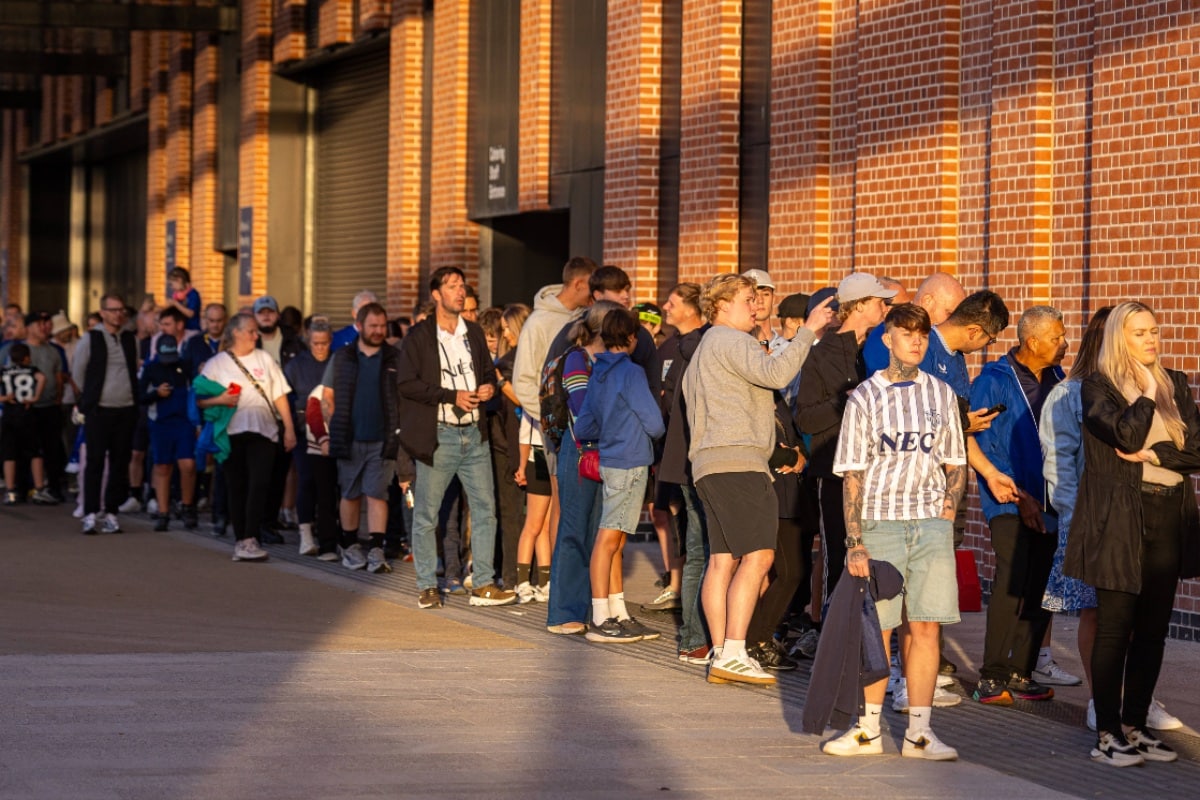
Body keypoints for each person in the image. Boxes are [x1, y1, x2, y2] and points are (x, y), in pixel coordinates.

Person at [822, 303, 967, 760]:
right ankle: (867, 730)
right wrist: (854, 540)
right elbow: (852, 473)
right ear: (887, 339)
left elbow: (954, 461)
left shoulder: (941, 393)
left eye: (922, 333)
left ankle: (920, 734)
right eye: (907, 333)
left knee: (925, 627)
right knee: (877, 629)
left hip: (928, 526)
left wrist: (948, 507)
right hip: (880, 522)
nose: (917, 341)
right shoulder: (864, 397)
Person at [1065, 302, 1199, 767]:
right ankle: (1107, 732)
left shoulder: (1176, 384)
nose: (1151, 340)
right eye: (1139, 333)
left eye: (1154, 331)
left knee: (1153, 631)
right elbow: (1125, 436)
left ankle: (1136, 727)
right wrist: (1143, 389)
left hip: (1169, 517)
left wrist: (1158, 457)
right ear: (1120, 338)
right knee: (1115, 628)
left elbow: (1196, 451)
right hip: (1121, 520)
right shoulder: (1097, 388)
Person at [683, 274, 833, 685]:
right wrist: (807, 332)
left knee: (722, 560)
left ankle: (722, 652)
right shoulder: (732, 341)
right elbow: (776, 374)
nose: (756, 307)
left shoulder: (707, 347)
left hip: (710, 465)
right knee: (760, 557)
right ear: (722, 305)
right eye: (748, 299)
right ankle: (733, 650)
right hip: (738, 464)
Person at [398, 267, 516, 609]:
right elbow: (406, 383)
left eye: (462, 286)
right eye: (452, 287)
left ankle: (482, 583)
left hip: (474, 435)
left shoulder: (474, 333)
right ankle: (426, 585)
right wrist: (452, 396)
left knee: (485, 510)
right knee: (427, 515)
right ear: (436, 294)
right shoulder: (420, 336)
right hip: (440, 435)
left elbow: (485, 372)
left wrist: (488, 387)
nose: (460, 292)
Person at [969, 306, 1068, 704]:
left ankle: (1021, 670)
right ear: (1033, 341)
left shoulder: (1059, 379)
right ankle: (992, 676)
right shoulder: (993, 381)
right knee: (1012, 579)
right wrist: (1020, 495)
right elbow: (983, 442)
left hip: (1051, 500)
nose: (1064, 344)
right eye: (1057, 337)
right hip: (1007, 498)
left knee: (1042, 585)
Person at [797, 272, 897, 611]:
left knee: (874, 555)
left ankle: (867, 636)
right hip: (833, 471)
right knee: (837, 555)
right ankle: (829, 634)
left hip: (875, 471)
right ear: (860, 305)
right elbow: (806, 417)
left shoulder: (877, 350)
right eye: (880, 301)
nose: (886, 307)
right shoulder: (820, 354)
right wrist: (846, 399)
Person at [575, 308, 666, 643]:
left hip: (609, 459)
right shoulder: (631, 372)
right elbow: (655, 424)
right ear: (631, 337)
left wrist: (609, 430)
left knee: (617, 539)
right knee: (609, 538)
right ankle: (601, 617)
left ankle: (617, 611)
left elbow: (584, 425)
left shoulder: (598, 371)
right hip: (629, 460)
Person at [197, 312, 297, 562]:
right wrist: (220, 399)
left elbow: (280, 395)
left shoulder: (264, 359)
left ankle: (251, 537)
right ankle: (242, 538)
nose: (256, 335)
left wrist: (290, 429)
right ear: (237, 333)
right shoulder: (217, 363)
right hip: (230, 433)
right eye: (251, 331)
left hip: (264, 431)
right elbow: (198, 399)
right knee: (237, 485)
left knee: (260, 483)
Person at [322, 302, 402, 575]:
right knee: (351, 493)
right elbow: (328, 395)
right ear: (359, 326)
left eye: (382, 326)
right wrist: (332, 427)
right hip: (350, 437)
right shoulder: (343, 357)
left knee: (377, 495)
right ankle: (351, 546)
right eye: (373, 326)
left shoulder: (395, 358)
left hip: (383, 439)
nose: (379, 331)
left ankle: (376, 548)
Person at [72, 293, 140, 535]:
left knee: (120, 463)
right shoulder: (91, 338)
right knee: (95, 462)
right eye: (113, 310)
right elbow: (78, 372)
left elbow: (135, 367)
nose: (118, 314)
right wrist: (89, 397)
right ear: (103, 313)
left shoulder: (131, 339)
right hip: (99, 409)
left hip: (126, 408)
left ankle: (111, 512)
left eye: (121, 310)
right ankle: (90, 513)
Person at [284, 317, 338, 559]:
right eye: (315, 343)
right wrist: (289, 429)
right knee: (306, 480)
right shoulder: (296, 366)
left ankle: (330, 534)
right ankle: (305, 534)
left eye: (324, 343)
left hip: (334, 432)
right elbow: (285, 399)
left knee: (329, 485)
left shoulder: (338, 361)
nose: (320, 348)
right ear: (308, 341)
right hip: (303, 432)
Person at [139, 334, 197, 531]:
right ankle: (163, 512)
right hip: (161, 423)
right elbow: (139, 396)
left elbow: (196, 390)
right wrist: (156, 393)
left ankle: (187, 506)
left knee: (187, 464)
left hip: (184, 422)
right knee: (162, 466)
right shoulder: (150, 369)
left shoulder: (185, 366)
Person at [22, 311, 69, 502]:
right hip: (27, 407)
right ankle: (28, 486)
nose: (44, 328)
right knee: (28, 448)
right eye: (38, 324)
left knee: (52, 448)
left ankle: (54, 487)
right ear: (29, 328)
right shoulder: (19, 350)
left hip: (50, 406)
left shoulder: (54, 350)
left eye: (45, 323)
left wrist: (58, 398)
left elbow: (58, 377)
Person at [1, 343, 48, 505]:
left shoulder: (5, 371)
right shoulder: (32, 370)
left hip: (9, 414)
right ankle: (39, 488)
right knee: (35, 452)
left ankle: (10, 490)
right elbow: (42, 378)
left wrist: (4, 398)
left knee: (9, 454)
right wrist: (35, 397)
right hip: (27, 413)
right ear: (27, 357)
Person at [166, 267, 202, 331]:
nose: (171, 287)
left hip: (191, 330)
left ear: (179, 280)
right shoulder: (178, 296)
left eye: (171, 284)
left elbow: (191, 314)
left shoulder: (192, 294)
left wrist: (176, 304)